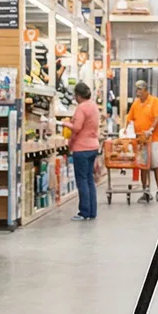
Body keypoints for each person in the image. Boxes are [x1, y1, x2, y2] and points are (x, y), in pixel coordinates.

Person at [67, 82, 101, 221]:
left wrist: (65, 124)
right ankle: (92, 211)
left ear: (78, 95)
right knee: (89, 180)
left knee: (82, 180)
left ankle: (84, 212)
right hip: (93, 146)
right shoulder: (93, 106)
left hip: (81, 148)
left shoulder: (81, 108)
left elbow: (76, 128)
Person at [126, 80, 158, 202]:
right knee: (143, 165)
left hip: (153, 139)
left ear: (145, 90)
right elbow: (129, 118)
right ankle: (145, 190)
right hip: (140, 140)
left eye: (140, 90)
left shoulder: (154, 101)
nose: (138, 92)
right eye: (136, 89)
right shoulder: (136, 104)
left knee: (155, 164)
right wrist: (127, 129)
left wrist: (151, 129)